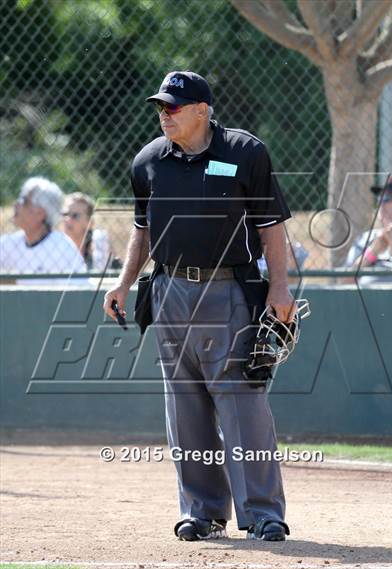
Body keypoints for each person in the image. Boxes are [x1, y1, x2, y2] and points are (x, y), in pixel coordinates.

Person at [104, 71, 296, 542]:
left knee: (242, 403)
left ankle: (263, 513)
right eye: (161, 107)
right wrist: (124, 284)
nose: (164, 114)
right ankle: (203, 510)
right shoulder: (150, 160)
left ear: (202, 110)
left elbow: (271, 225)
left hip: (228, 288)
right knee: (184, 405)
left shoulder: (243, 152)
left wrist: (280, 288)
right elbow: (142, 230)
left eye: (174, 106)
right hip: (169, 290)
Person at [0, 177, 86, 284]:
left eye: (24, 201)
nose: (16, 204)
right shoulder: (10, 242)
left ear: (40, 213)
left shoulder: (62, 248)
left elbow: (79, 292)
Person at [345, 177, 392, 282]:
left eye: (388, 197)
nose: (382, 204)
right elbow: (343, 280)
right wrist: (372, 253)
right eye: (380, 198)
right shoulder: (367, 238)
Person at [62, 192, 118, 271]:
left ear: (90, 222)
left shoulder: (98, 242)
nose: (67, 219)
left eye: (75, 215)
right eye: (65, 214)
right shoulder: (57, 245)